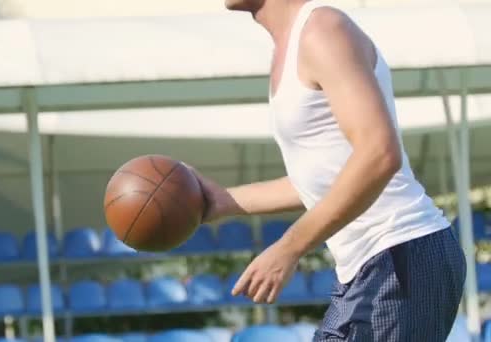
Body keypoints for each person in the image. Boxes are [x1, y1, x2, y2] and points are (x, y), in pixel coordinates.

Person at [190, 0, 467, 340]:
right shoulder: (292, 46)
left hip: (401, 254)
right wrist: (225, 201)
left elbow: (379, 154)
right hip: (369, 266)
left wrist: (289, 247)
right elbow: (326, 179)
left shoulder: (322, 31)